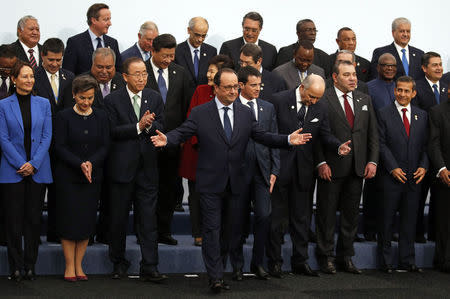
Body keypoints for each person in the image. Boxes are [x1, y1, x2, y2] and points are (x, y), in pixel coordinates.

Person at [150, 68, 312, 293]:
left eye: (236, 86)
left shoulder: (245, 113)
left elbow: (262, 136)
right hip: (209, 183)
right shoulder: (201, 112)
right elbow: (183, 132)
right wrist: (167, 139)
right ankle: (215, 277)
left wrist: (287, 139)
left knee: (230, 232)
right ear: (215, 88)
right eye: (227, 87)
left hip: (237, 183)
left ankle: (220, 271)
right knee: (211, 231)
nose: (233, 91)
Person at [268, 74, 351, 278]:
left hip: (304, 171)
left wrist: (338, 145)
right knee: (277, 219)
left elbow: (324, 134)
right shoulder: (278, 100)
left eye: (317, 98)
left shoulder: (321, 107)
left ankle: (300, 261)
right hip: (281, 168)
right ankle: (274, 262)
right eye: (311, 96)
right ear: (302, 87)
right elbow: (268, 133)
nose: (313, 101)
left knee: (302, 219)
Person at [105, 57, 167, 282]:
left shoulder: (154, 97)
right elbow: (111, 131)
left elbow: (162, 126)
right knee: (118, 219)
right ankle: (118, 262)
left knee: (148, 220)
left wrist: (150, 125)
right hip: (121, 169)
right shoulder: (112, 100)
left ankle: (150, 265)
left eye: (144, 74)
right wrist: (137, 127)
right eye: (137, 74)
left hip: (148, 169)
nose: (142, 78)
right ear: (125, 77)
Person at [315, 61, 379, 275]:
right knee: (327, 215)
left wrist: (372, 161)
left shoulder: (364, 99)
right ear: (334, 77)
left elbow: (372, 134)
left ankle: (346, 257)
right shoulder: (323, 99)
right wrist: (321, 162)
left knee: (351, 216)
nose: (353, 79)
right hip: (331, 168)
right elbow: (315, 136)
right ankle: (326, 257)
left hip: (357, 167)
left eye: (354, 74)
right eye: (347, 75)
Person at [0, 61, 52, 282]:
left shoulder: (44, 103)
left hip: (38, 170)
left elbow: (46, 136)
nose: (29, 80)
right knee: (13, 221)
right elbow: (2, 138)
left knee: (33, 220)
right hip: (12, 171)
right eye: (24, 76)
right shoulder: (3, 105)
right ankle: (16, 267)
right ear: (14, 79)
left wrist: (34, 163)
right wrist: (21, 163)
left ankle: (30, 265)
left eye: (31, 76)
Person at [54, 74, 109, 281]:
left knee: (86, 222)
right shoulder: (63, 117)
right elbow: (59, 146)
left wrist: (91, 163)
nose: (86, 102)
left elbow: (105, 145)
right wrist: (79, 163)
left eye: (90, 98)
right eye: (82, 98)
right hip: (68, 177)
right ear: (74, 95)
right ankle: (69, 266)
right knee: (69, 222)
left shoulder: (102, 116)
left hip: (92, 178)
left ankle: (79, 265)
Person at [230, 66, 280, 281]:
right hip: (237, 173)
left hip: (262, 172)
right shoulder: (230, 107)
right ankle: (237, 266)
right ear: (241, 85)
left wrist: (275, 170)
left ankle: (257, 263)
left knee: (264, 216)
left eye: (260, 85)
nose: (258, 88)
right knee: (237, 221)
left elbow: (274, 139)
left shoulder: (267, 108)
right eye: (253, 85)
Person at [179, 54, 234, 247]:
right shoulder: (200, 91)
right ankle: (198, 232)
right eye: (208, 70)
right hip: (196, 152)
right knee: (195, 195)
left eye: (212, 71)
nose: (207, 74)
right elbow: (190, 120)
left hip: (221, 158)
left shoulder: (231, 96)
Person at [144, 34, 192, 246]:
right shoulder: (140, 71)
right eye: (164, 55)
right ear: (153, 51)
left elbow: (186, 108)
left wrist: (181, 137)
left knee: (168, 190)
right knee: (146, 191)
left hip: (172, 143)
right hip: (145, 142)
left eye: (172, 55)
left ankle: (164, 231)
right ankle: (145, 232)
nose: (168, 60)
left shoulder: (180, 73)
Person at [377, 76, 428, 273]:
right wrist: (392, 167)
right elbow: (381, 144)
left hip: (414, 177)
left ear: (414, 93)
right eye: (399, 90)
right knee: (387, 220)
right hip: (391, 176)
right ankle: (386, 262)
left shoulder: (422, 115)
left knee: (409, 221)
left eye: (407, 91)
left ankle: (407, 260)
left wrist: (423, 166)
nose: (402, 94)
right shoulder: (383, 113)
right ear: (395, 91)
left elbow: (426, 145)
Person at [33, 38, 75, 243]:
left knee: (60, 193)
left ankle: (56, 233)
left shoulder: (70, 77)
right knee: (37, 194)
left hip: (63, 145)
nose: (55, 64)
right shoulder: (32, 76)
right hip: (39, 144)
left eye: (59, 60)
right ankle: (34, 234)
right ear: (42, 56)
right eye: (51, 59)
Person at [412, 52, 447, 244]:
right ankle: (417, 233)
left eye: (440, 64)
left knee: (440, 199)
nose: (439, 68)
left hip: (443, 151)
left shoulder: (446, 88)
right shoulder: (417, 87)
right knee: (420, 195)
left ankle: (434, 233)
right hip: (423, 148)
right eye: (434, 65)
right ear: (425, 68)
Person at [362, 53, 397, 242]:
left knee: (391, 192)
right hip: (375, 144)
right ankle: (369, 228)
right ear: (378, 67)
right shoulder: (368, 88)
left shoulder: (400, 87)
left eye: (393, 66)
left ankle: (387, 230)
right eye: (386, 65)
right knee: (373, 190)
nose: (390, 68)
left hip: (396, 146)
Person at [63, 3, 121, 75]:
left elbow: (118, 72)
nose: (110, 23)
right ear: (94, 20)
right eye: (106, 19)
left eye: (110, 19)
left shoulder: (113, 43)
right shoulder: (75, 42)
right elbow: (68, 73)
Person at [428, 82, 450, 273]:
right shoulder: (437, 112)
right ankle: (443, 261)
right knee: (444, 221)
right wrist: (441, 168)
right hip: (446, 175)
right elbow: (433, 144)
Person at [0, 44, 17, 247]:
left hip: (15, 148)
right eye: (3, 69)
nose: (7, 73)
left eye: (11, 69)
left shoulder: (20, 80)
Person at [175, 17, 217, 87]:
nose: (200, 40)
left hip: (204, 95)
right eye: (197, 35)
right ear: (189, 30)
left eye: (203, 36)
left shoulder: (211, 51)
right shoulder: (177, 50)